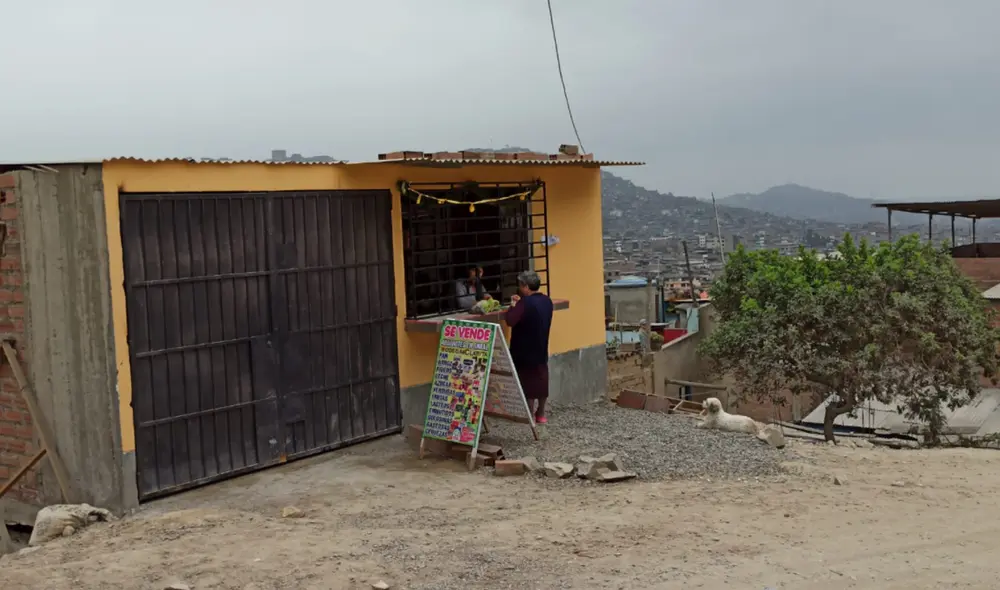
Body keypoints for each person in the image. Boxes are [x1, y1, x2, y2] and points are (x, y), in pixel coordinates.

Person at [505, 270, 554, 423]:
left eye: (520, 285)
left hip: (524, 349)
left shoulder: (524, 303)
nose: (519, 288)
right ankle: (541, 413)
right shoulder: (547, 301)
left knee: (528, 384)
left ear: (526, 286)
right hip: (541, 346)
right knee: (541, 379)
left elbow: (510, 320)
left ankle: (529, 415)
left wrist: (513, 305)